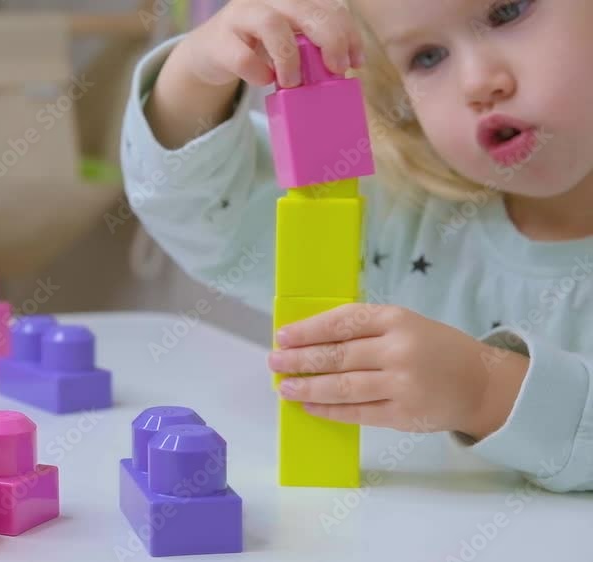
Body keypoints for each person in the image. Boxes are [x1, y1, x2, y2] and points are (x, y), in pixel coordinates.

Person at [120, 0, 593, 492]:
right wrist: (196, 75)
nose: (477, 83)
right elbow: (208, 216)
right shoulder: (398, 215)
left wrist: (484, 390)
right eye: (427, 57)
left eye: (508, 12)